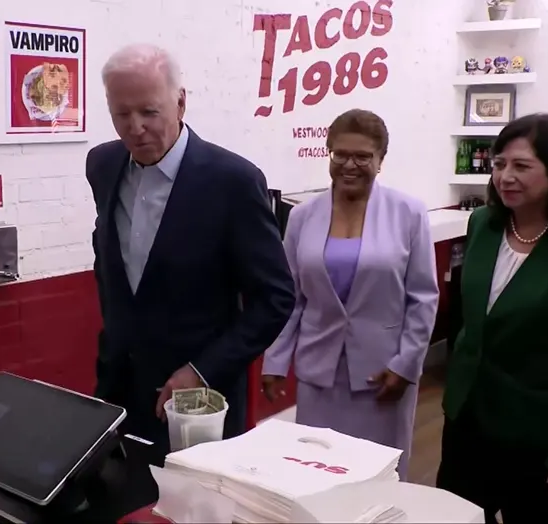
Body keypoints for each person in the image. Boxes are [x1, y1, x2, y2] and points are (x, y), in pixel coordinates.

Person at [86, 43, 295, 463]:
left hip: (200, 404)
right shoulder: (103, 165)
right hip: (118, 391)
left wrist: (201, 371)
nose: (135, 127)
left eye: (149, 111)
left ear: (181, 102)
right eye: (121, 114)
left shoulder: (233, 182)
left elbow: (275, 299)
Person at [436, 114, 548, 523]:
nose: (505, 177)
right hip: (467, 419)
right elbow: (471, 322)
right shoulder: (482, 225)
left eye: (521, 166)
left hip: (538, 435)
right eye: (498, 165)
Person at [261, 109, 439, 481]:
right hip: (318, 374)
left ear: (380, 161)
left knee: (376, 475)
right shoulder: (302, 216)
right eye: (340, 154)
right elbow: (291, 298)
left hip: (383, 374)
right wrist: (275, 361)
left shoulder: (409, 213)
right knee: (314, 472)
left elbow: (422, 297)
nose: (350, 165)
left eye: (363, 156)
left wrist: (405, 364)